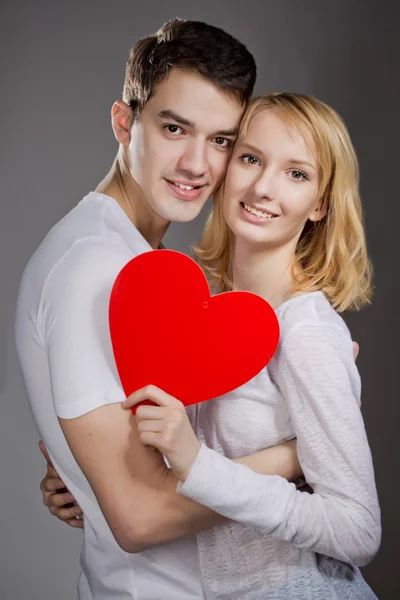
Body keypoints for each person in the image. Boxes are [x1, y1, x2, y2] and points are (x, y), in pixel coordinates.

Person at [15, 19, 305, 600]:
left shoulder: (137, 256)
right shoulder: (95, 265)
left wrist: (76, 477)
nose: (198, 164)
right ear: (125, 123)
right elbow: (140, 517)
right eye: (176, 128)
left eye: (222, 140)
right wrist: (303, 456)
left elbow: (137, 459)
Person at [122, 93, 382, 599]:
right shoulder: (210, 317)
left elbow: (358, 531)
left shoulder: (305, 332)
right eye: (251, 158)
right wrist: (83, 483)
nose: (263, 188)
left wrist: (199, 464)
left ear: (321, 205)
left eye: (297, 174)